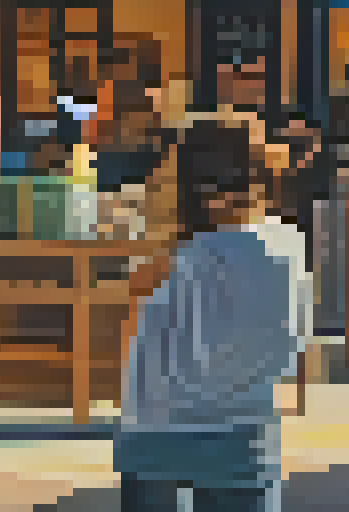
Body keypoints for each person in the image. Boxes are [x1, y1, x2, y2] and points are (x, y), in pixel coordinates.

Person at [116, 118, 310, 512]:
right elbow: (294, 345)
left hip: (155, 433)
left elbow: (130, 328)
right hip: (244, 434)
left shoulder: (173, 258)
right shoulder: (287, 245)